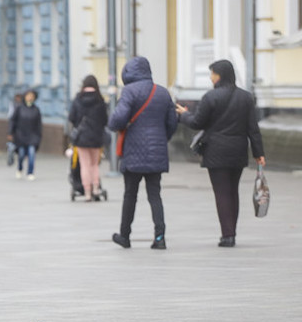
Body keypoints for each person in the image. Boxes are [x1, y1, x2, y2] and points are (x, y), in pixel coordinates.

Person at [176, 60, 266, 247]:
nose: (211, 77)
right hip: (238, 150)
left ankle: (227, 235)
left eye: (212, 73)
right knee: (233, 192)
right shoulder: (246, 97)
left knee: (222, 193)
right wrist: (259, 153)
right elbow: (253, 128)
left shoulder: (211, 97)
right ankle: (232, 232)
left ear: (219, 75)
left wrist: (184, 115)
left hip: (216, 151)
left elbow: (197, 123)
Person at [108, 56, 177, 249]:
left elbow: (118, 119)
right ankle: (159, 238)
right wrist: (162, 139)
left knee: (130, 195)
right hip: (157, 152)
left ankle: (125, 236)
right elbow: (172, 122)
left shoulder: (129, 91)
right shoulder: (162, 92)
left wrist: (115, 124)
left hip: (133, 152)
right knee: (155, 195)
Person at [68, 75, 109, 201]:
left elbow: (71, 117)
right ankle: (96, 189)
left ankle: (87, 193)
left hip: (82, 137)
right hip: (96, 137)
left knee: (84, 165)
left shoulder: (78, 99)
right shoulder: (100, 100)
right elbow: (105, 120)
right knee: (94, 165)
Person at [8, 88, 42, 180]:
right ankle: (20, 168)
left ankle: (30, 172)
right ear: (25, 97)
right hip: (20, 135)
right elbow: (13, 121)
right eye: (28, 96)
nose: (30, 98)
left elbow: (39, 124)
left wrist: (39, 136)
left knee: (31, 153)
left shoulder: (36, 110)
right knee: (21, 154)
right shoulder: (19, 108)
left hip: (33, 136)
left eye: (32, 96)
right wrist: (10, 132)